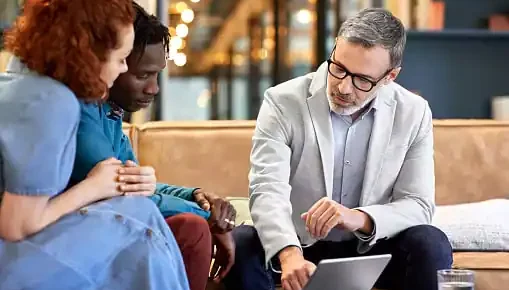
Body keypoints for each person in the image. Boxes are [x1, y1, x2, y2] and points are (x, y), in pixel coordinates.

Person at [224, 8, 453, 290]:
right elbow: (267, 190)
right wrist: (289, 254)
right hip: (297, 246)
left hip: (371, 249)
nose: (343, 87)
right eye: (339, 68)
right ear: (333, 51)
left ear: (389, 77)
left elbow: (418, 204)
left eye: (362, 80)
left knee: (430, 242)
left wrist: (357, 217)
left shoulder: (414, 113)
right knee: (242, 242)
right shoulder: (281, 102)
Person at [0, 1, 190, 289]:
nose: (124, 68)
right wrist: (94, 186)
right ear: (89, 53)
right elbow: (16, 224)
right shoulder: (53, 101)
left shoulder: (17, 85)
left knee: (141, 215)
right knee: (141, 217)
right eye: (121, 58)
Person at [69, 2, 236, 290]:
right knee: (192, 230)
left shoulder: (108, 112)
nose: (154, 88)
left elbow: (140, 188)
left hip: (102, 230)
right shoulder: (77, 113)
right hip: (72, 241)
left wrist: (195, 196)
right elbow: (126, 197)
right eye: (142, 74)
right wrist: (209, 217)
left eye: (157, 74)